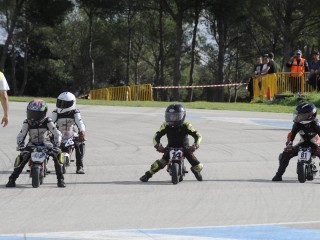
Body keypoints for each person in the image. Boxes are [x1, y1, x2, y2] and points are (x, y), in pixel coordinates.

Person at [6, 99, 65, 187]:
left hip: (46, 144)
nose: (33, 116)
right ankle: (12, 179)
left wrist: (57, 144)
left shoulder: (48, 121)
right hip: (32, 144)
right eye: (31, 113)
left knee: (57, 156)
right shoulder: (27, 122)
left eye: (36, 114)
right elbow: (21, 135)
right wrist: (20, 144)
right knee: (23, 157)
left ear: (43, 113)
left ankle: (60, 180)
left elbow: (57, 133)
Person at [140, 103, 203, 182]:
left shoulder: (186, 125)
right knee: (158, 164)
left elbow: (198, 135)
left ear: (182, 116)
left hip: (186, 148)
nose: (172, 119)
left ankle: (195, 171)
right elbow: (156, 136)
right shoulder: (165, 125)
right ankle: (147, 174)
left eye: (175, 116)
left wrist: (195, 145)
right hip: (170, 148)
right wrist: (158, 145)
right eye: (170, 116)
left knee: (199, 166)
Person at [272, 102, 320, 181]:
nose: (298, 117)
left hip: (315, 144)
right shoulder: (298, 124)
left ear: (310, 116)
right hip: (303, 142)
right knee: (285, 154)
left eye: (301, 116)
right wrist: (289, 144)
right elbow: (291, 135)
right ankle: (278, 175)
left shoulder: (316, 124)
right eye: (298, 115)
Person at [51, 92, 86, 174]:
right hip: (59, 134)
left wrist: (82, 132)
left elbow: (80, 123)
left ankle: (79, 166)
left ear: (72, 103)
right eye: (60, 102)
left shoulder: (75, 112)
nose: (62, 105)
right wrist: (48, 132)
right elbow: (50, 123)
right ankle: (43, 165)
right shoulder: (55, 112)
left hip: (71, 133)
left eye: (65, 104)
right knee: (48, 145)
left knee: (79, 144)